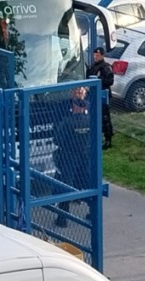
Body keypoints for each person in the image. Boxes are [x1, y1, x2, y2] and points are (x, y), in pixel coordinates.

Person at [53, 86, 94, 227]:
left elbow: (57, 139)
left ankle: (62, 218)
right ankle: (93, 212)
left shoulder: (67, 122)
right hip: (85, 155)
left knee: (66, 184)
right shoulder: (90, 121)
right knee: (87, 183)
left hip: (68, 156)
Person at [88, 47, 115, 149]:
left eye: (98, 55)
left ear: (102, 55)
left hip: (103, 96)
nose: (95, 57)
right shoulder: (93, 66)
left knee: (105, 118)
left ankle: (108, 140)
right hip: (93, 96)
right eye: (94, 55)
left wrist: (99, 80)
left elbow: (110, 81)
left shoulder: (105, 67)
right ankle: (97, 138)